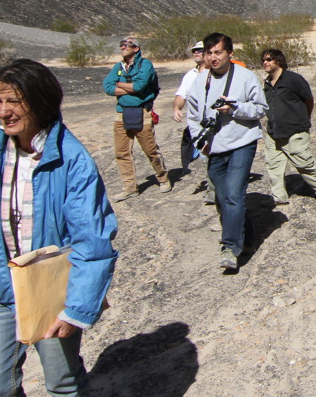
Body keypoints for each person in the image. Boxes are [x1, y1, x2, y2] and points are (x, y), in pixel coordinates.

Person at [0, 59, 117, 397]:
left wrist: (77, 309)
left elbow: (93, 240)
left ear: (41, 101)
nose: (3, 111)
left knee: (63, 383)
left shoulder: (72, 158)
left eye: (14, 100)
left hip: (49, 289)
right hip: (0, 287)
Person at [184, 32, 267, 270]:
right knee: (223, 198)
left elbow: (260, 109)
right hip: (213, 146)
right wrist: (199, 141)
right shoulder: (200, 81)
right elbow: (193, 116)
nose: (213, 57)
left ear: (230, 53)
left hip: (242, 142)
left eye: (218, 52)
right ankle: (247, 239)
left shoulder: (245, 77)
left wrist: (235, 108)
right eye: (209, 53)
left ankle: (230, 248)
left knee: (232, 193)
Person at [102, 35, 168, 201]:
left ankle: (163, 177)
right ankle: (130, 187)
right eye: (121, 45)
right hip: (121, 113)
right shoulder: (118, 66)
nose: (123, 47)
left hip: (142, 112)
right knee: (122, 152)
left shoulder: (145, 65)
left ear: (136, 48)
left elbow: (139, 86)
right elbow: (107, 87)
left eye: (127, 44)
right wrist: (128, 88)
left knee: (150, 150)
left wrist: (119, 84)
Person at [261, 48, 316, 205]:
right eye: (263, 60)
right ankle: (279, 196)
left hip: (295, 130)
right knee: (273, 165)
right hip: (273, 131)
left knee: (303, 161)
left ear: (279, 61)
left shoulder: (293, 79)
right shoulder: (267, 83)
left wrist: (304, 118)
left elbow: (308, 99)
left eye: (269, 59)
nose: (265, 62)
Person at [173, 41, 213, 199]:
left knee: (212, 156)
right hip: (197, 125)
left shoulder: (216, 72)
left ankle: (213, 192)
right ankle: (214, 189)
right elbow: (181, 94)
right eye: (194, 51)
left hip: (214, 122)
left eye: (199, 50)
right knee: (206, 155)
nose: (196, 53)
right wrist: (177, 108)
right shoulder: (190, 75)